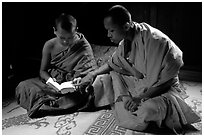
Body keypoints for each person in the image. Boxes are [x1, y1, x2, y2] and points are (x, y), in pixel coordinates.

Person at [79, 5, 200, 134]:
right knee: (103, 79)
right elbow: (112, 64)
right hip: (139, 82)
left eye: (111, 30)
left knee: (147, 111)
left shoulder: (155, 41)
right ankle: (126, 103)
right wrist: (92, 74)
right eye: (107, 30)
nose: (108, 35)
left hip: (160, 90)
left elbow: (166, 81)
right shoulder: (125, 42)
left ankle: (137, 109)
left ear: (126, 26)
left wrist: (140, 98)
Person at [16, 13, 97, 118]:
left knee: (84, 94)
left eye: (70, 37)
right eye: (62, 37)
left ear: (76, 30)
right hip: (53, 82)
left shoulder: (83, 45)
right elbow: (43, 71)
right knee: (23, 86)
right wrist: (51, 81)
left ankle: (47, 104)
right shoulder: (49, 45)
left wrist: (78, 79)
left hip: (71, 85)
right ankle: (51, 103)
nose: (66, 41)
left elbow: (88, 71)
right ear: (55, 30)